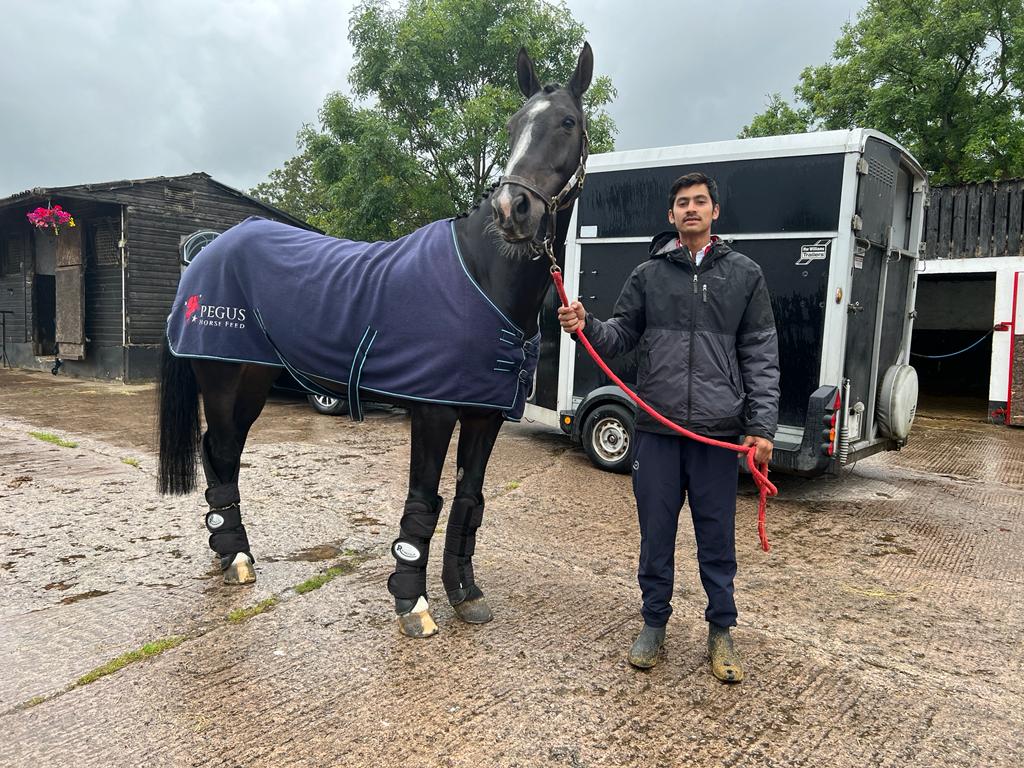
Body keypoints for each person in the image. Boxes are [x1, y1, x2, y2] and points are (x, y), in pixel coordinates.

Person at [557, 172, 780, 682]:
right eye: (682, 203)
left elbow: (762, 356)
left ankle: (721, 630)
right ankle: (654, 623)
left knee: (717, 541)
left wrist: (761, 426)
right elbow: (618, 337)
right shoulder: (648, 276)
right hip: (655, 431)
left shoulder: (744, 274)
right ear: (671, 216)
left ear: (715, 212)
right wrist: (585, 325)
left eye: (700, 201)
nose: (691, 210)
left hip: (717, 434)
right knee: (655, 537)